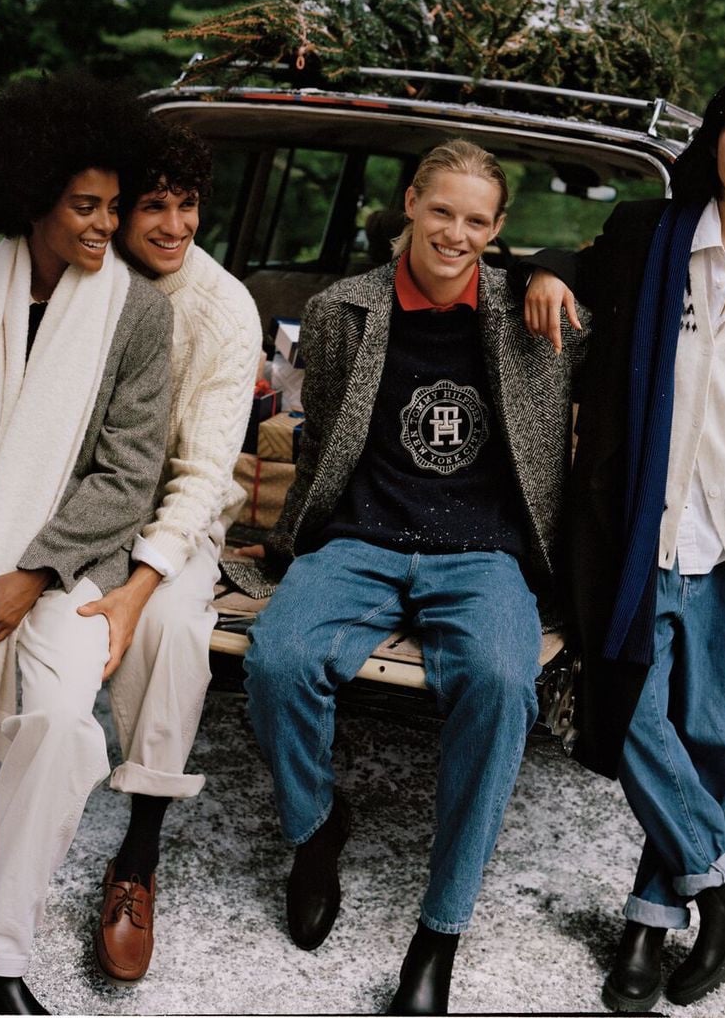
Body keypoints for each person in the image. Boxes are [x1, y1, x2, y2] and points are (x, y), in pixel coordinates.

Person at [237, 138, 590, 1014]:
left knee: (505, 681)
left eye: (478, 220)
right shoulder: (340, 310)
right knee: (276, 658)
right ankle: (317, 829)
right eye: (442, 212)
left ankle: (440, 931)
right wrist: (284, 540)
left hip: (483, 552)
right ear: (410, 208)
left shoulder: (531, 314)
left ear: (500, 228)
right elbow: (319, 443)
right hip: (361, 540)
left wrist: (553, 263)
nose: (456, 233)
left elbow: (642, 266)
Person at [521, 68, 725, 1012]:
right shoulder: (651, 236)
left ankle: (647, 924)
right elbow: (566, 259)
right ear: (717, 136)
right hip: (638, 528)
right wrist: (546, 269)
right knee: (624, 714)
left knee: (718, 739)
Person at [0, 73, 174, 1015]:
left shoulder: (139, 315)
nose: (107, 225)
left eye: (114, 204)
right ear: (35, 197)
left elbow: (127, 476)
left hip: (66, 571)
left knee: (64, 728)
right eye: (84, 206)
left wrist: (26, 574)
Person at [76, 120, 261, 985]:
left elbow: (202, 474)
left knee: (176, 631)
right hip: (76, 508)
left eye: (188, 206)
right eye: (154, 206)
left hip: (179, 519)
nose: (176, 225)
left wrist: (145, 579)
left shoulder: (224, 309)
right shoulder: (82, 277)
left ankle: (138, 859)